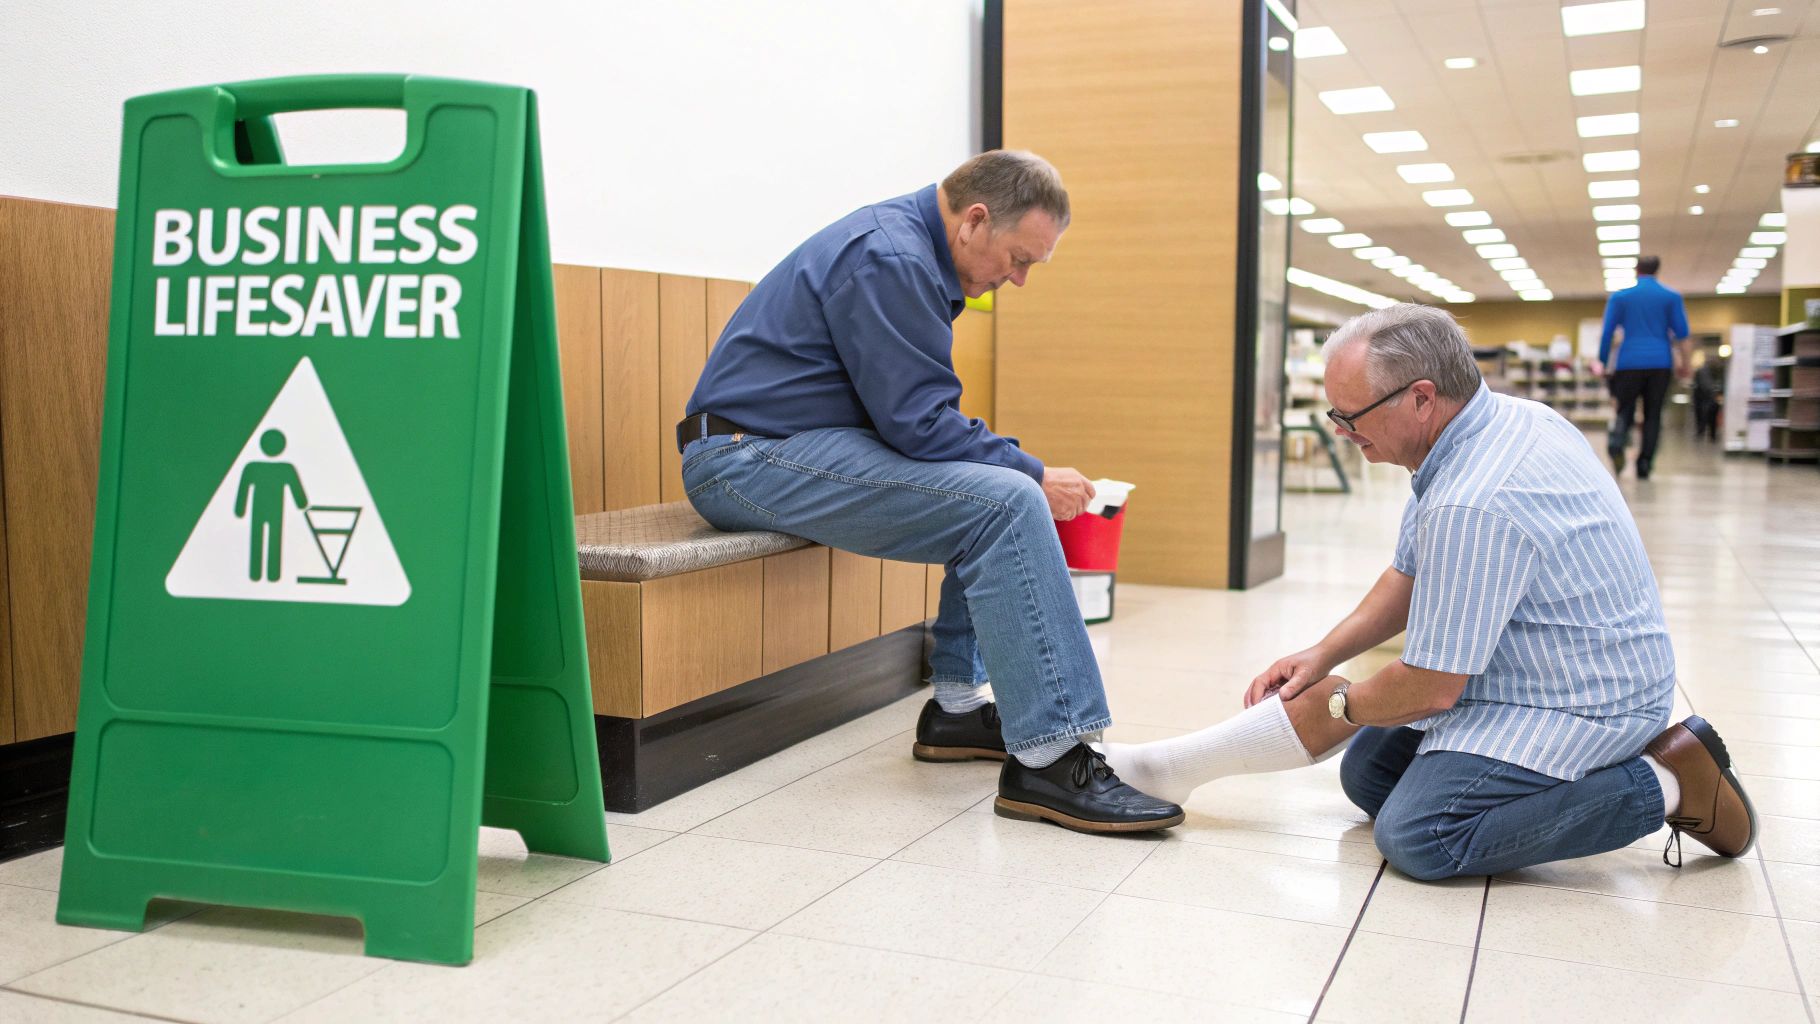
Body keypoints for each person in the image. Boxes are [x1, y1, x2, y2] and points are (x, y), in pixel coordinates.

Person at [1098, 304, 1756, 878]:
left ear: (1420, 397)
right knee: (1369, 777)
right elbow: (1408, 575)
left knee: (1418, 836)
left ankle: (1671, 782)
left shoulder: (1476, 498)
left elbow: (1433, 685)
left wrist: (1343, 706)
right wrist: (1322, 657)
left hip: (1580, 699)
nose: (1339, 430)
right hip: (1528, 666)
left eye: (1350, 415)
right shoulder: (1489, 427)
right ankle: (1165, 766)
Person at [678, 150, 1182, 834]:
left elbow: (917, 425)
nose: (1020, 279)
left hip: (779, 445)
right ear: (975, 220)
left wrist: (1016, 469)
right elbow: (920, 424)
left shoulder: (907, 250)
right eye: (1019, 258)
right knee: (1007, 500)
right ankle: (1053, 758)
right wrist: (1035, 472)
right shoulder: (891, 257)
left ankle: (955, 710)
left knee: (990, 492)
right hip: (746, 459)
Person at [1599, 255, 1691, 479]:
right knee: (1653, 415)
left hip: (1628, 362)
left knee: (1625, 409)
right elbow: (1683, 336)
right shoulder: (1670, 297)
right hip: (1660, 362)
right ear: (1657, 270)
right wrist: (1685, 365)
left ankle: (1617, 441)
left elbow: (1607, 333)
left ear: (1636, 269)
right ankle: (1645, 464)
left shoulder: (1620, 298)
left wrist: (1603, 362)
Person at [1692, 358, 1722, 442]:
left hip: (1706, 399)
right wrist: (1714, 394)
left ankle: (1706, 433)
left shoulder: (1710, 371)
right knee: (1705, 416)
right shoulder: (1704, 371)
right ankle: (1706, 433)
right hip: (1705, 399)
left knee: (1706, 416)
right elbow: (1706, 386)